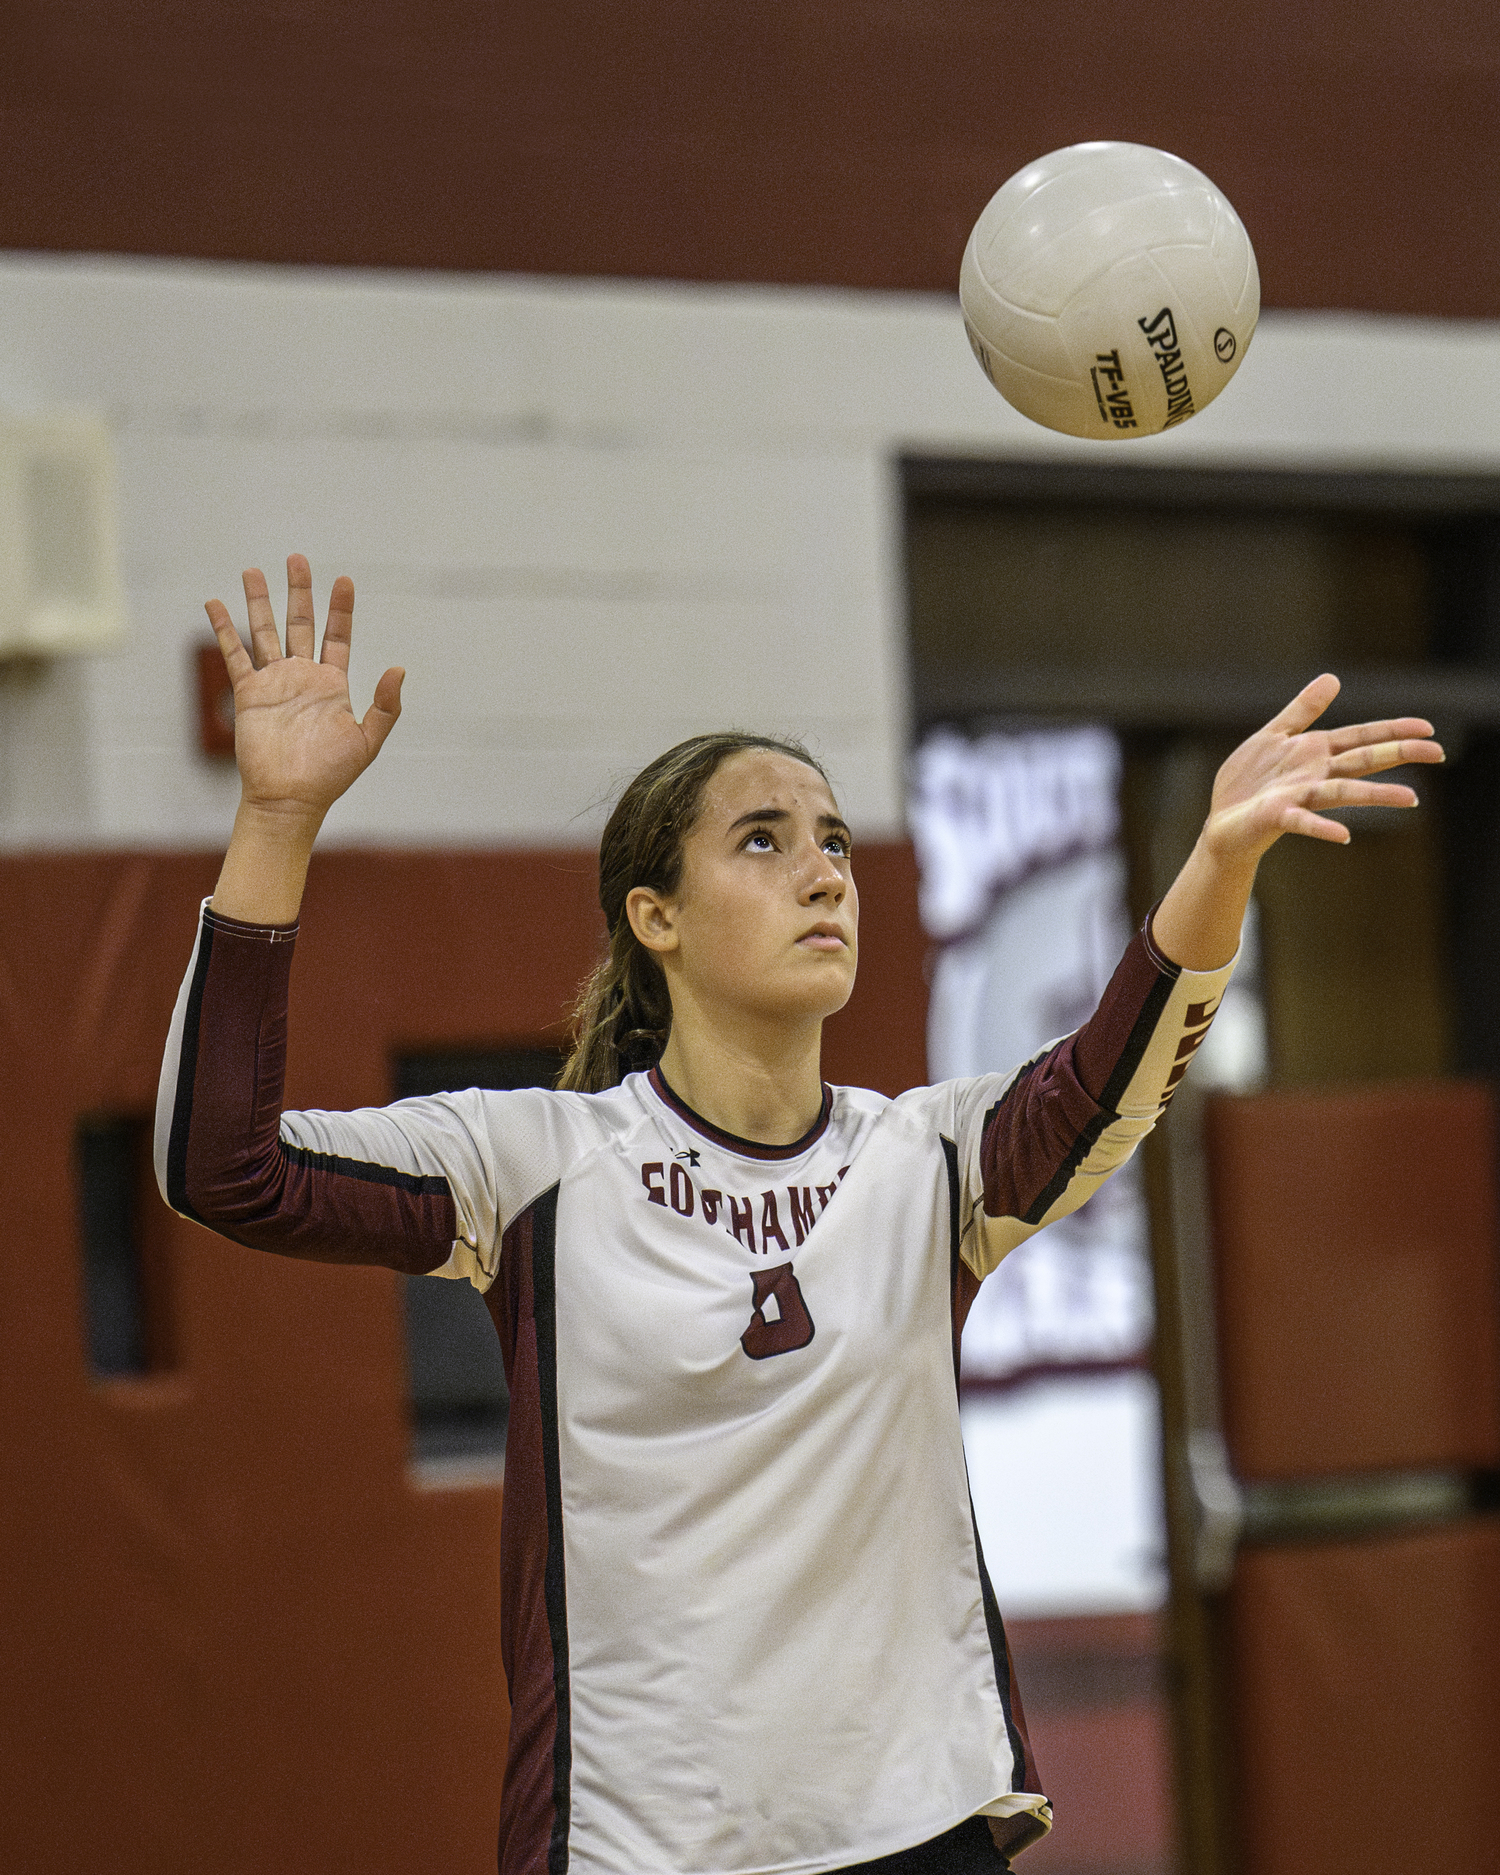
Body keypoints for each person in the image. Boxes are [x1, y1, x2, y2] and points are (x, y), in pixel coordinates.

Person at [156, 556, 1442, 1875]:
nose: (824, 871)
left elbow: (1110, 1070)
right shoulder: (534, 1162)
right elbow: (226, 1168)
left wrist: (1221, 857)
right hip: (644, 1849)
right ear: (652, 917)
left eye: (834, 839)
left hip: (921, 1831)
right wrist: (275, 821)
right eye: (762, 840)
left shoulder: (929, 1161)